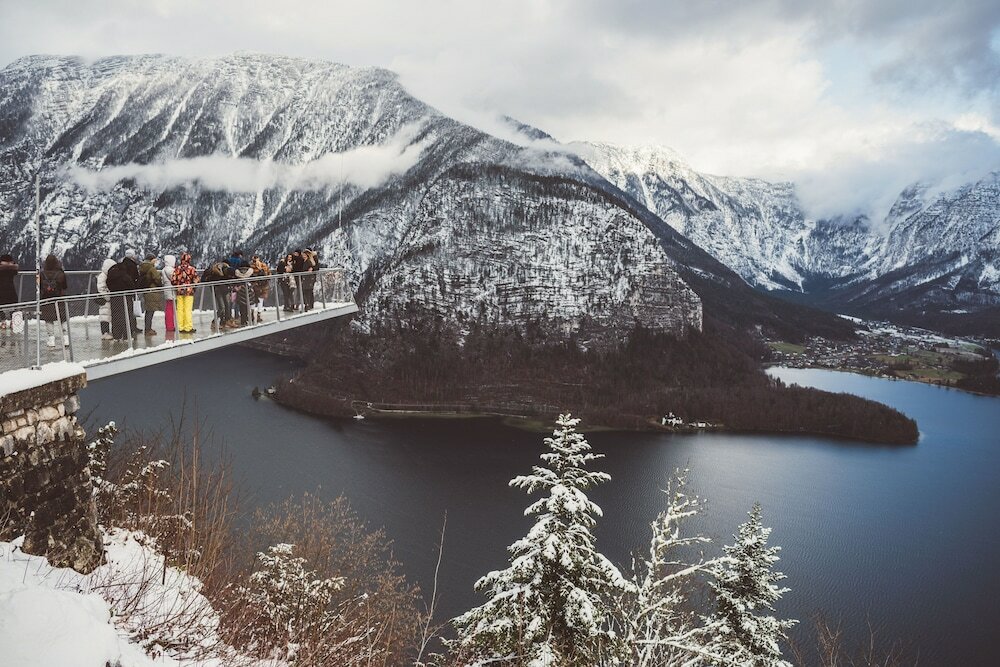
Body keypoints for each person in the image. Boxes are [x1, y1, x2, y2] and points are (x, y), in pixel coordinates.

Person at [39, 254, 69, 348]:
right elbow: (65, 286)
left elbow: (39, 286)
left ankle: (51, 339)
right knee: (62, 318)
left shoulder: (42, 274)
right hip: (59, 298)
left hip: (46, 299)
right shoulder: (60, 273)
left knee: (49, 319)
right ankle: (66, 338)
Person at [170, 252, 199, 334]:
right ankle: (188, 327)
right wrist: (192, 287)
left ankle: (180, 327)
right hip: (189, 292)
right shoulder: (191, 269)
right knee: (188, 309)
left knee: (179, 309)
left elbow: (173, 280)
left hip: (179, 291)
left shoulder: (177, 269)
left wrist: (178, 286)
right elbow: (196, 280)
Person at [201, 260, 233, 331]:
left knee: (227, 305)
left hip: (223, 289)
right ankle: (215, 322)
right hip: (218, 290)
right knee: (222, 307)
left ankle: (223, 322)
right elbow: (206, 279)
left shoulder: (224, 270)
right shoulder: (215, 271)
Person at [138, 254, 164, 335]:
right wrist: (160, 283)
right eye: (154, 259)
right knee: (150, 311)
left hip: (146, 290)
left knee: (148, 310)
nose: (155, 261)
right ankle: (148, 329)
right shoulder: (151, 268)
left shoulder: (142, 267)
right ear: (151, 260)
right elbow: (157, 278)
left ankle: (147, 328)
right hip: (152, 291)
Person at [96, 258, 115, 340]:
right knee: (104, 316)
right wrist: (108, 297)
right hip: (105, 300)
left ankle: (106, 332)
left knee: (106, 315)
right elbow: (101, 288)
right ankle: (105, 332)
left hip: (106, 299)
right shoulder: (103, 276)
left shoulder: (105, 275)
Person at [250, 255, 270, 323]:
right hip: (263, 285)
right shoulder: (263, 266)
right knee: (260, 300)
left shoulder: (251, 267)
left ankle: (252, 313)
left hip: (255, 285)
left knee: (254, 300)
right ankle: (258, 314)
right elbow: (268, 274)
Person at [0, 253, 18, 329]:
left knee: (0, 306)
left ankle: (2, 321)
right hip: (11, 289)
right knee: (13, 306)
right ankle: (13, 322)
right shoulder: (12, 269)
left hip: (1, 289)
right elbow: (16, 271)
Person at [162, 254, 177, 333]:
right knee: (170, 309)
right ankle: (170, 326)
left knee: (169, 308)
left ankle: (169, 325)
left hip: (167, 290)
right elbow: (174, 278)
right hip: (171, 291)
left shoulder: (164, 269)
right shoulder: (170, 270)